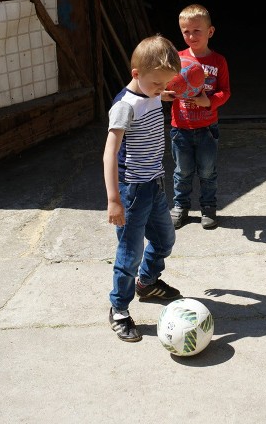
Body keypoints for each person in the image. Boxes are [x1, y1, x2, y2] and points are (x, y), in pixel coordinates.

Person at [103, 35, 184, 342]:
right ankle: (119, 309)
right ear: (136, 74)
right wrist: (114, 200)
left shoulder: (151, 92)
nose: (162, 90)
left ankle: (147, 283)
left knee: (165, 239)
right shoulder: (124, 106)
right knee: (129, 254)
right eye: (157, 85)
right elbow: (110, 152)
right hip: (131, 191)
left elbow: (151, 96)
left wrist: (160, 95)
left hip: (154, 184)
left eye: (165, 85)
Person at [167, 4, 231, 230]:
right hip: (180, 127)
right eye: (186, 31)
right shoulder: (176, 59)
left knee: (207, 171)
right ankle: (180, 207)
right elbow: (163, 85)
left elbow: (225, 91)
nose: (191, 36)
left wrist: (210, 102)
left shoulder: (218, 61)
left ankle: (208, 208)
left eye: (197, 30)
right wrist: (163, 95)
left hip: (207, 127)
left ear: (210, 32)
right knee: (181, 172)